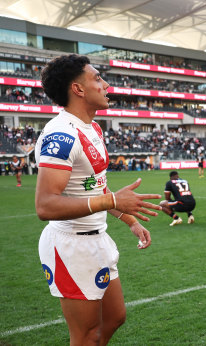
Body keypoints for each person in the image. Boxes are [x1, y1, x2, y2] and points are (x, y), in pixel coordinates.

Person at [35, 54, 162, 345]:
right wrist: (113, 201)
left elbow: (96, 189)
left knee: (115, 317)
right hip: (70, 246)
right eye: (97, 78)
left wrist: (130, 220)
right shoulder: (61, 134)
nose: (106, 84)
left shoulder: (92, 128)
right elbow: (45, 206)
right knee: (86, 335)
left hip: (97, 238)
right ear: (78, 89)